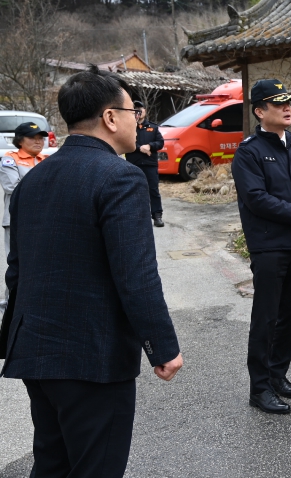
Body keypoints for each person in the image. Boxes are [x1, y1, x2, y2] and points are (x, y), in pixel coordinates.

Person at [0, 65, 183, 477]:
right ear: (110, 117)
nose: (138, 120)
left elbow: (17, 271)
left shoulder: (34, 179)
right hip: (92, 356)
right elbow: (135, 275)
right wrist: (162, 346)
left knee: (53, 463)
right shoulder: (121, 177)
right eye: (133, 111)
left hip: (34, 351)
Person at [232, 79, 291, 414]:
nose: (288, 109)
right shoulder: (249, 152)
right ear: (260, 111)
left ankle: (277, 373)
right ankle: (259, 388)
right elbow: (257, 199)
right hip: (270, 246)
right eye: (278, 103)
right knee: (266, 318)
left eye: (289, 103)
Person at [0, 122, 49, 312]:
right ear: (20, 140)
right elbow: (12, 187)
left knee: (40, 262)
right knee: (18, 263)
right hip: (17, 220)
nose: (38, 141)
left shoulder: (46, 160)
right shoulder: (10, 159)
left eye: (40, 138)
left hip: (43, 219)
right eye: (32, 138)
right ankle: (10, 304)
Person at [125, 100, 165, 227]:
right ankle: (135, 216)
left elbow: (160, 143)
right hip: (134, 164)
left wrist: (150, 146)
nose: (139, 111)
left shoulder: (153, 127)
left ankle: (157, 216)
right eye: (136, 109)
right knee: (134, 191)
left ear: (145, 111)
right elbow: (125, 142)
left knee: (153, 190)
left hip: (149, 164)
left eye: (140, 109)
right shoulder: (128, 127)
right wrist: (140, 148)